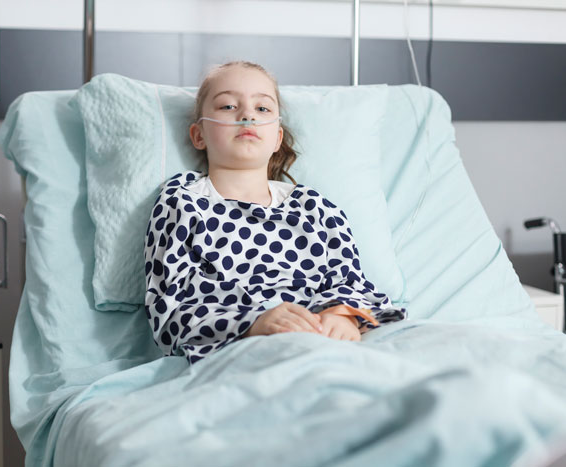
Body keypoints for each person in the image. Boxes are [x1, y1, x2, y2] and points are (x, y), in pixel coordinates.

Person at [144, 61, 406, 365]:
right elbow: (168, 310)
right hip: (239, 351)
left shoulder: (314, 208)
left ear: (277, 138)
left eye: (263, 109)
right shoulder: (182, 202)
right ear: (198, 135)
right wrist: (254, 325)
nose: (247, 115)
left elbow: (352, 283)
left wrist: (343, 317)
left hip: (326, 340)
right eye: (228, 106)